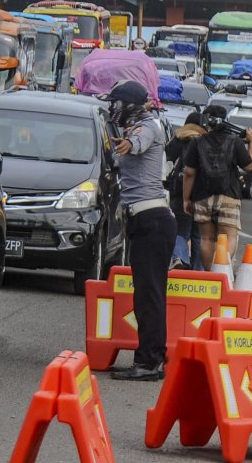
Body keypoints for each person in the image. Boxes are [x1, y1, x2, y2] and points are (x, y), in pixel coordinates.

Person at [105, 80, 175, 382]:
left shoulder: (148, 126)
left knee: (149, 296)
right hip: (144, 222)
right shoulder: (132, 128)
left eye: (116, 104)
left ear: (130, 105)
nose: (112, 109)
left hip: (152, 222)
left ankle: (149, 362)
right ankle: (153, 357)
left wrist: (129, 144)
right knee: (147, 295)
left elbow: (140, 141)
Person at [183, 104, 252, 270]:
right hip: (229, 195)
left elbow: (189, 173)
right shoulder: (234, 141)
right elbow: (249, 166)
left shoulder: (197, 142)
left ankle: (210, 276)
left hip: (202, 196)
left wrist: (186, 199)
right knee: (229, 237)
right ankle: (222, 272)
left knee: (207, 239)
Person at [165, 111, 205, 270]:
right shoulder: (205, 141)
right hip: (203, 193)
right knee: (198, 234)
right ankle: (199, 270)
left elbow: (167, 161)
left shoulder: (177, 139)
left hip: (180, 192)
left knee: (181, 230)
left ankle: (179, 257)